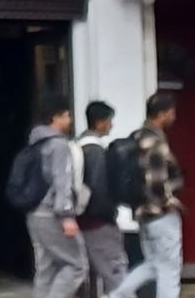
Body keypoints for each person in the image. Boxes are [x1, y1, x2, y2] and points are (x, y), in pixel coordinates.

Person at [109, 92, 184, 298]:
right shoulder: (155, 141)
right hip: (160, 213)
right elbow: (157, 180)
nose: (174, 117)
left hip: (142, 213)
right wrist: (168, 201)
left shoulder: (137, 137)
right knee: (170, 270)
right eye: (172, 112)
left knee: (153, 265)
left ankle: (115, 296)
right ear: (161, 114)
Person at [25, 93, 89, 298]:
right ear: (55, 118)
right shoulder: (59, 145)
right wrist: (67, 216)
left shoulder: (35, 142)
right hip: (53, 213)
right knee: (77, 265)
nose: (70, 120)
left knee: (46, 268)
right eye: (67, 115)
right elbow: (62, 181)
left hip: (34, 213)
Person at [78, 100, 128, 297]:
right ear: (99, 122)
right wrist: (109, 214)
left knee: (89, 276)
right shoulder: (95, 151)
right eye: (109, 121)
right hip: (98, 222)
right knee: (115, 272)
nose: (111, 125)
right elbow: (99, 188)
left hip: (81, 220)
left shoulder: (78, 146)